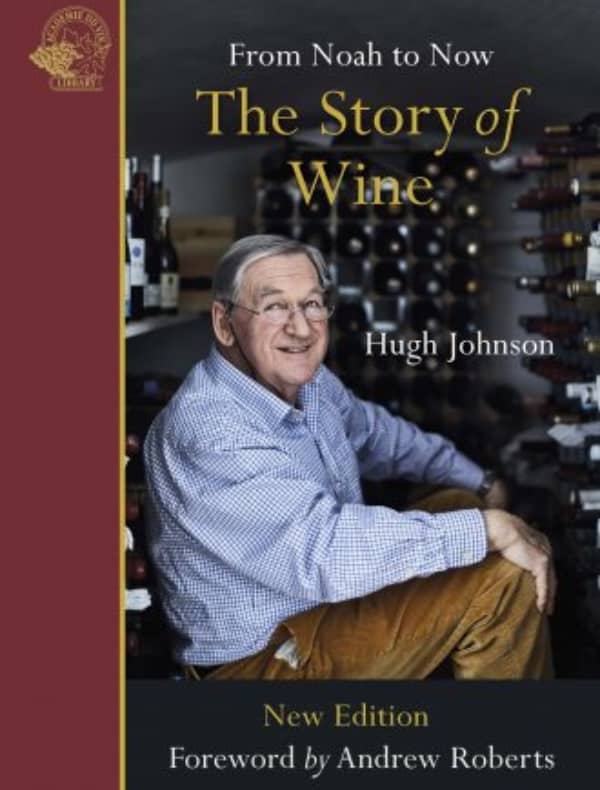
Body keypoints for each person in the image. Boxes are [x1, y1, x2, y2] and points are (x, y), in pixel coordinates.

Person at [143, 234, 555, 680]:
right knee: (502, 581)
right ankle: (504, 745)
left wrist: (480, 484)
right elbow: (325, 554)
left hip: (326, 610)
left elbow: (378, 437)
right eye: (275, 306)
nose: (301, 328)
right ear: (224, 323)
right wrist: (489, 531)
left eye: (313, 304)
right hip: (263, 659)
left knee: (465, 507)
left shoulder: (309, 383)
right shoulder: (210, 430)